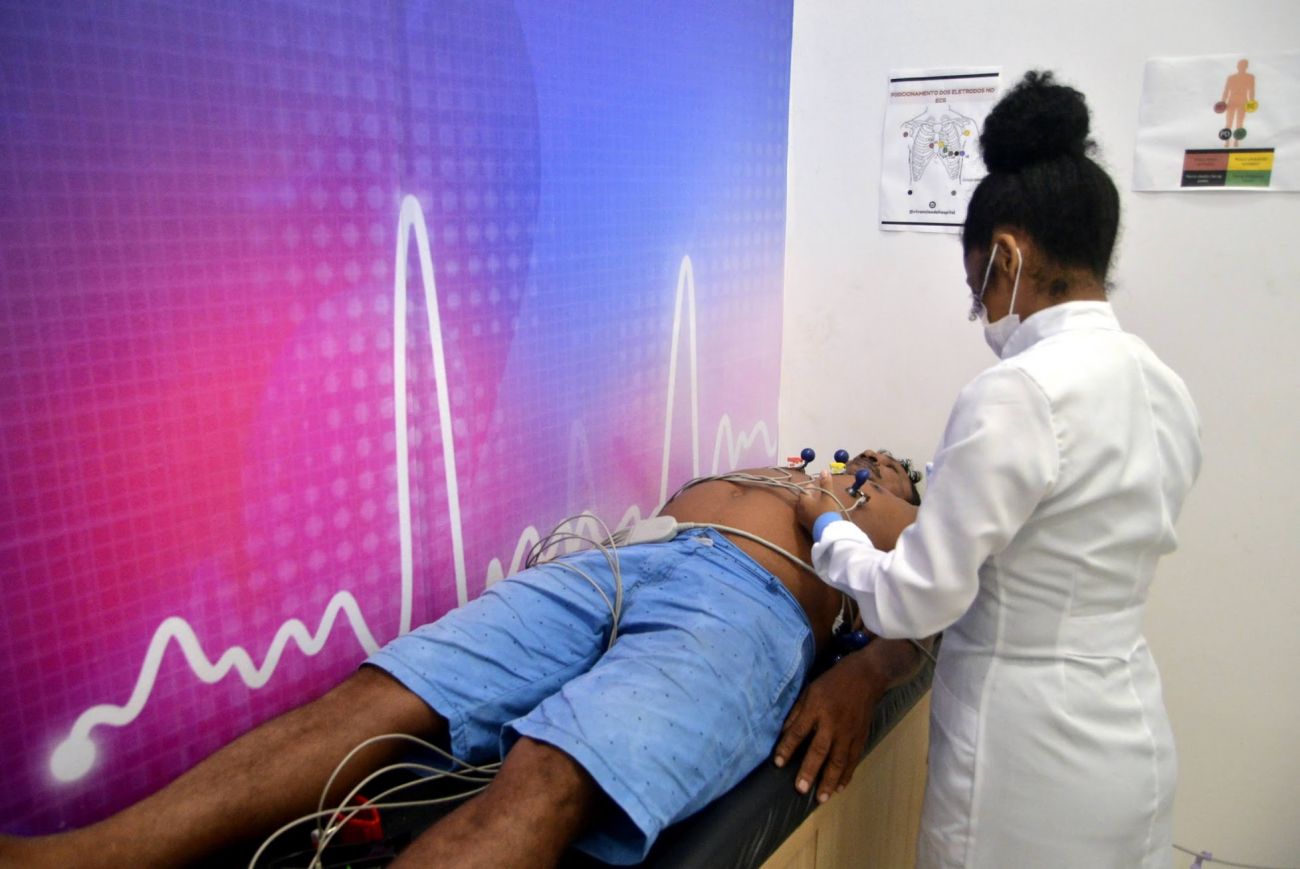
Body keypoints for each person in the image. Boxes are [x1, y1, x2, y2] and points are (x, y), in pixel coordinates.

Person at [0, 450, 930, 869]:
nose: (876, 457)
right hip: (620, 562)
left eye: (890, 463)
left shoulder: (892, 510)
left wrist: (863, 671)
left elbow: (943, 610)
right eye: (873, 455)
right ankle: (71, 861)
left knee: (552, 770)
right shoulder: (782, 464)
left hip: (748, 602)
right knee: (383, 694)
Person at [796, 71, 1202, 869]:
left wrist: (830, 528)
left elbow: (914, 598)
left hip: (1027, 759)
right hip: (1130, 736)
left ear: (1006, 256)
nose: (981, 312)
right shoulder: (1164, 385)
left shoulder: (1018, 391)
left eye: (975, 288)